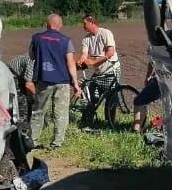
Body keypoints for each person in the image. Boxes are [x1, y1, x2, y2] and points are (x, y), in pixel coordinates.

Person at [28, 14, 80, 149]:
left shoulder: (36, 38)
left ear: (47, 24)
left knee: (38, 111)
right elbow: (70, 63)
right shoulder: (65, 41)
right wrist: (75, 83)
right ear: (60, 25)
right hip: (62, 81)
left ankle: (33, 140)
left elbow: (31, 55)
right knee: (60, 113)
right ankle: (57, 143)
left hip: (43, 79)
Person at [77, 14, 121, 107]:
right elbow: (84, 54)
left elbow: (110, 52)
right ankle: (89, 117)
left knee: (111, 99)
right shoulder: (86, 39)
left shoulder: (105, 33)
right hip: (98, 72)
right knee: (91, 96)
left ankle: (109, 120)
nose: (83, 26)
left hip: (111, 70)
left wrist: (93, 62)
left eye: (84, 23)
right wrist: (80, 61)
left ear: (92, 22)